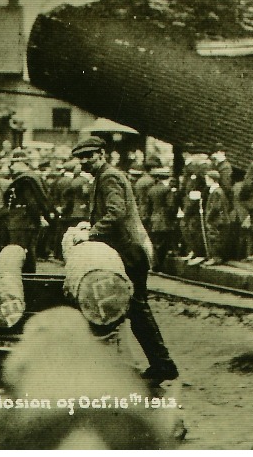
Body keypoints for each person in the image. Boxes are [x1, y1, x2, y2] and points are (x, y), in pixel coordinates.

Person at [72, 136, 178, 385]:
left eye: (88, 156)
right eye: (81, 158)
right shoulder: (104, 176)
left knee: (137, 307)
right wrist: (91, 224)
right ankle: (161, 364)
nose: (84, 162)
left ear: (101, 154)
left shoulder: (109, 177)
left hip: (130, 251)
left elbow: (116, 212)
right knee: (134, 308)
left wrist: (91, 233)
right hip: (125, 250)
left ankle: (163, 364)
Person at [3, 151, 53, 274]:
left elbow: (32, 203)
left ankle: (26, 279)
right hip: (24, 221)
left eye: (13, 163)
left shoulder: (26, 180)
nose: (11, 167)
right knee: (27, 252)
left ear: (22, 163)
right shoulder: (30, 177)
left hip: (23, 222)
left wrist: (37, 219)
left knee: (21, 253)